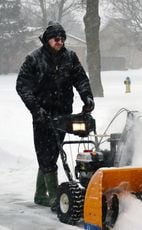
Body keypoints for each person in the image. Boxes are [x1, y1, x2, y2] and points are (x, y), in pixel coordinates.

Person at [16, 21, 95, 211]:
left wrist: (87, 97)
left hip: (63, 114)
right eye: (55, 39)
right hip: (42, 114)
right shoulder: (34, 59)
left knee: (51, 153)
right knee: (46, 153)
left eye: (62, 38)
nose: (59, 42)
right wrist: (36, 109)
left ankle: (39, 194)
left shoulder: (70, 57)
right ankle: (53, 197)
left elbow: (80, 78)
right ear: (47, 39)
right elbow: (22, 86)